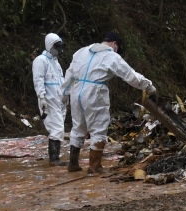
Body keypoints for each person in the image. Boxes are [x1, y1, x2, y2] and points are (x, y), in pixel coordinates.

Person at [61, 31, 156, 173]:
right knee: (98, 128)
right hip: (95, 91)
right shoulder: (111, 56)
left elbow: (69, 73)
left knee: (78, 127)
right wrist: (148, 86)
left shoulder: (81, 51)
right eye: (117, 48)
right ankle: (95, 167)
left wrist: (64, 93)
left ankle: (73, 164)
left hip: (76, 90)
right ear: (114, 44)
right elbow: (130, 75)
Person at [32, 33, 67, 166]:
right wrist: (41, 97)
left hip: (58, 100)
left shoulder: (56, 62)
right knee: (56, 128)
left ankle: (55, 157)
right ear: (50, 45)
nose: (59, 50)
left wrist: (65, 95)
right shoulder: (41, 60)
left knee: (59, 127)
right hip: (48, 99)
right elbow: (38, 80)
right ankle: (54, 159)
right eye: (56, 47)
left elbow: (61, 80)